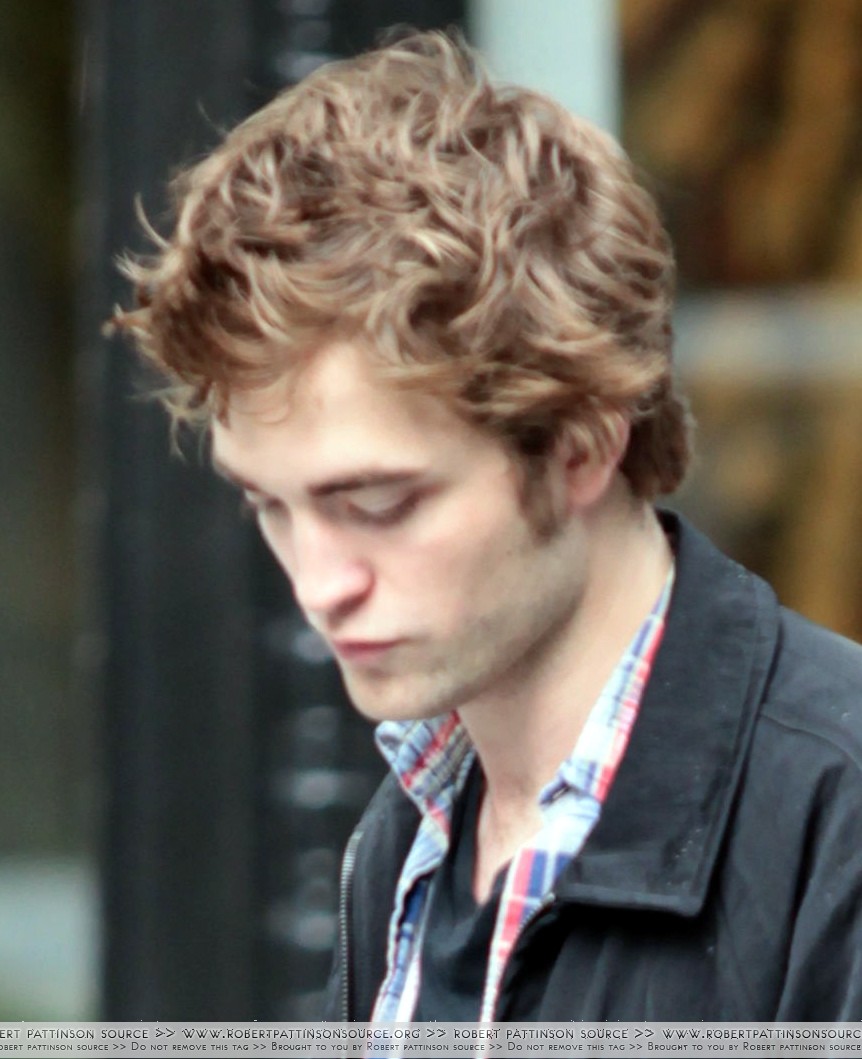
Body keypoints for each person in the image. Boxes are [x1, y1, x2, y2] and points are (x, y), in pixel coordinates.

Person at [112, 29, 862, 1022]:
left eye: (377, 505)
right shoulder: (410, 837)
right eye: (269, 506)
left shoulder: (834, 821)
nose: (319, 584)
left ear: (581, 445)